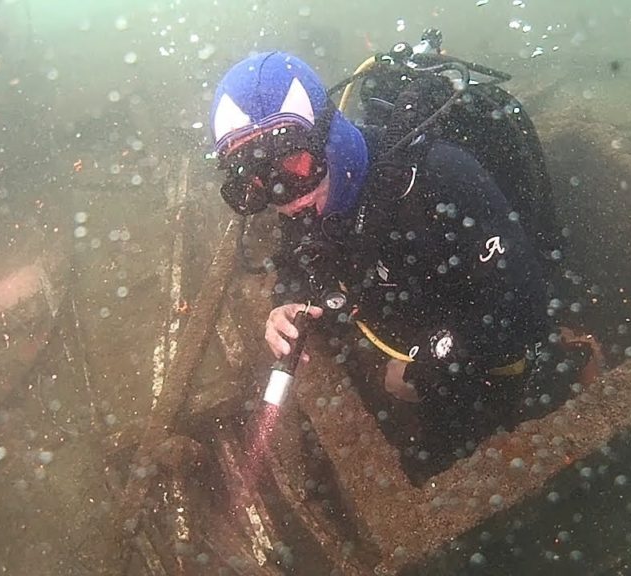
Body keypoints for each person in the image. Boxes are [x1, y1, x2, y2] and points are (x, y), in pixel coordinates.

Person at [210, 50, 575, 466]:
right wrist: (286, 299)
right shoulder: (305, 195)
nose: (282, 196)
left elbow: (528, 304)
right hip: (415, 323)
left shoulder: (441, 176)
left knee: (463, 435)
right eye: (251, 181)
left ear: (328, 135)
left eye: (292, 161)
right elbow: (295, 260)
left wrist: (431, 359)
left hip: (488, 349)